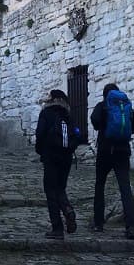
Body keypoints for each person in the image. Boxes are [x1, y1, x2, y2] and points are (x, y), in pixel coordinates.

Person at [90, 82, 134, 239]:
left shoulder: (103, 106)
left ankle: (99, 223)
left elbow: (94, 120)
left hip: (105, 151)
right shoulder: (125, 107)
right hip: (122, 151)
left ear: (104, 94)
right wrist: (124, 132)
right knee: (125, 187)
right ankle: (131, 227)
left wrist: (104, 128)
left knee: (100, 185)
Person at [34, 89, 78, 239]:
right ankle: (67, 208)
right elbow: (76, 136)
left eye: (49, 95)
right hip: (66, 158)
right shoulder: (68, 114)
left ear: (53, 99)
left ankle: (57, 228)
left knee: (50, 191)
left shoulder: (46, 113)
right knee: (60, 188)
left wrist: (41, 151)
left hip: (51, 157)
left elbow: (39, 134)